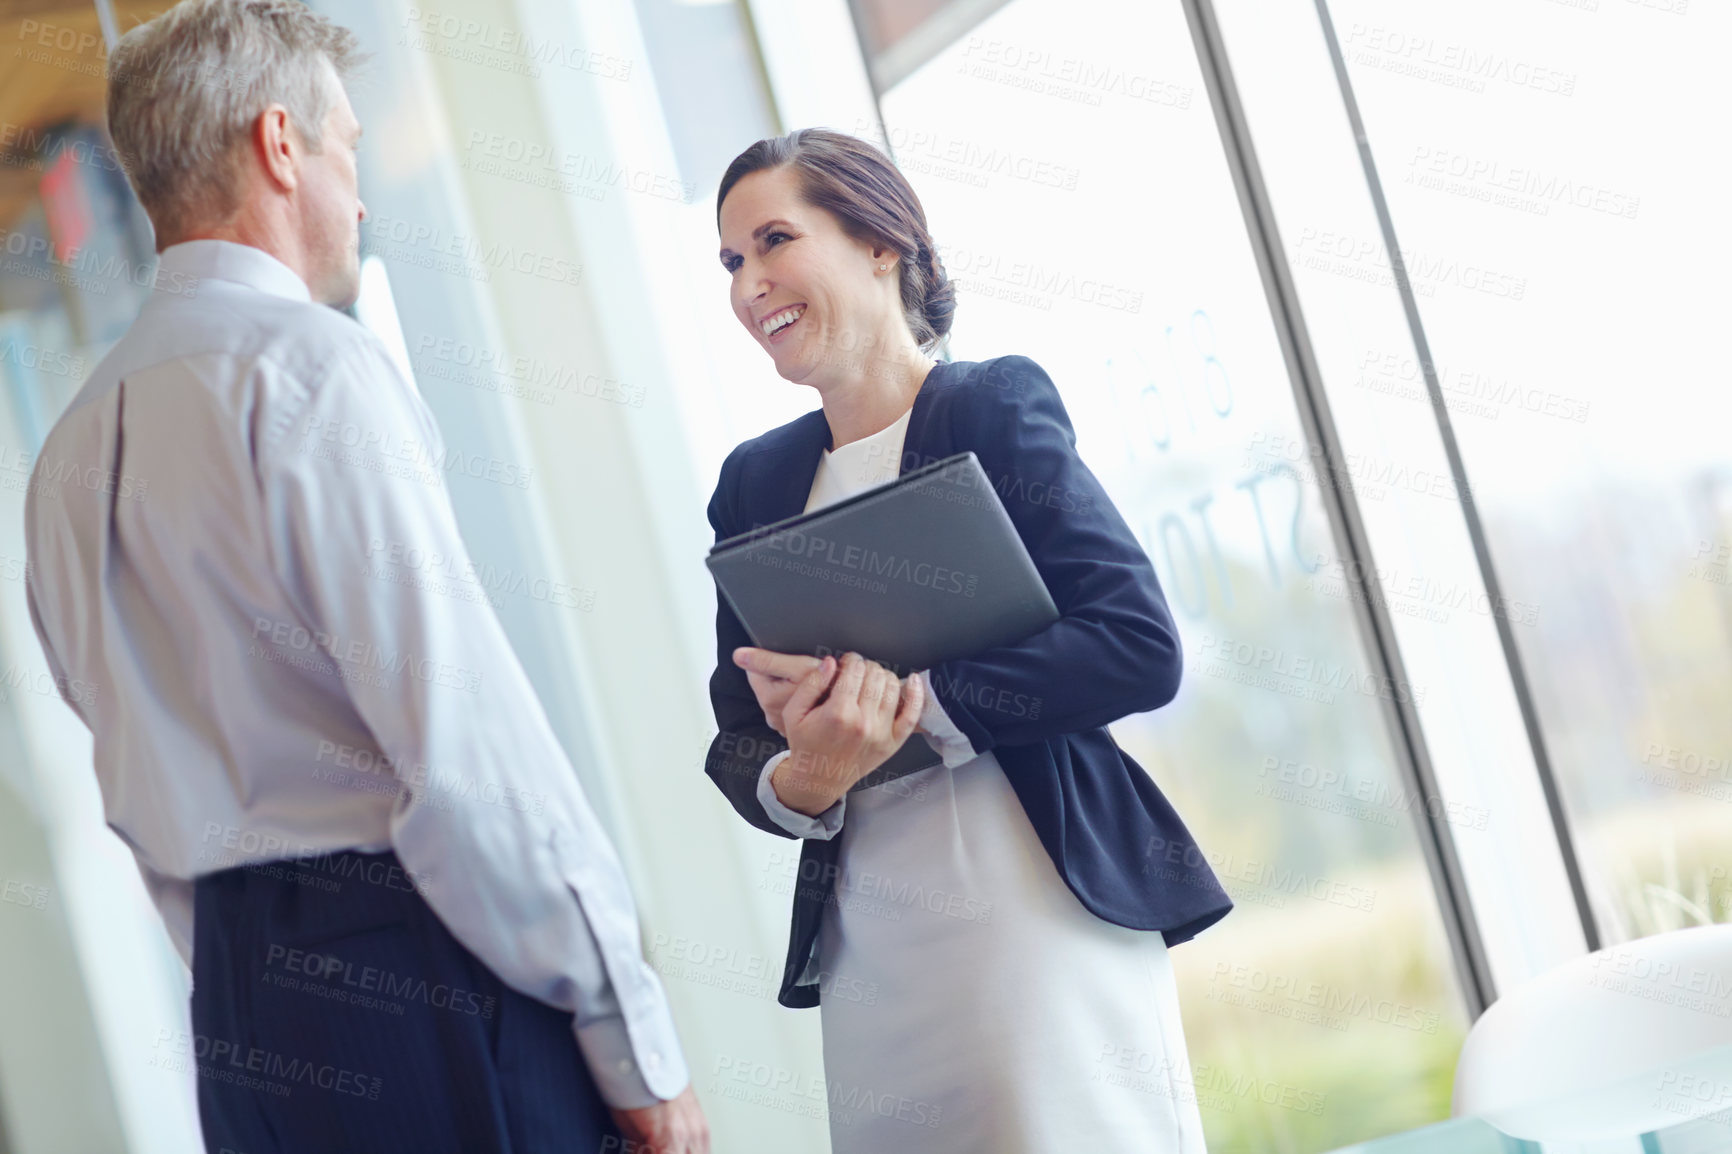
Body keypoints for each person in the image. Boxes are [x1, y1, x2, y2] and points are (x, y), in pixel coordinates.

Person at [22, 2, 707, 1151]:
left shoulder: (67, 456)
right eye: (345, 145)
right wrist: (628, 1031)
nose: (362, 187)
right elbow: (467, 755)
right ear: (279, 145)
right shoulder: (313, 371)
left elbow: (136, 793)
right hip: (423, 973)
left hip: (241, 1014)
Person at [703, 128, 1235, 1152]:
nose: (748, 284)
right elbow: (734, 738)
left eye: (773, 240)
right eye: (731, 262)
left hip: (1033, 915)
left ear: (879, 244)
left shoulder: (989, 406)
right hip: (874, 949)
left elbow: (1134, 641)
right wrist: (807, 777)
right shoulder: (752, 482)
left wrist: (914, 710)